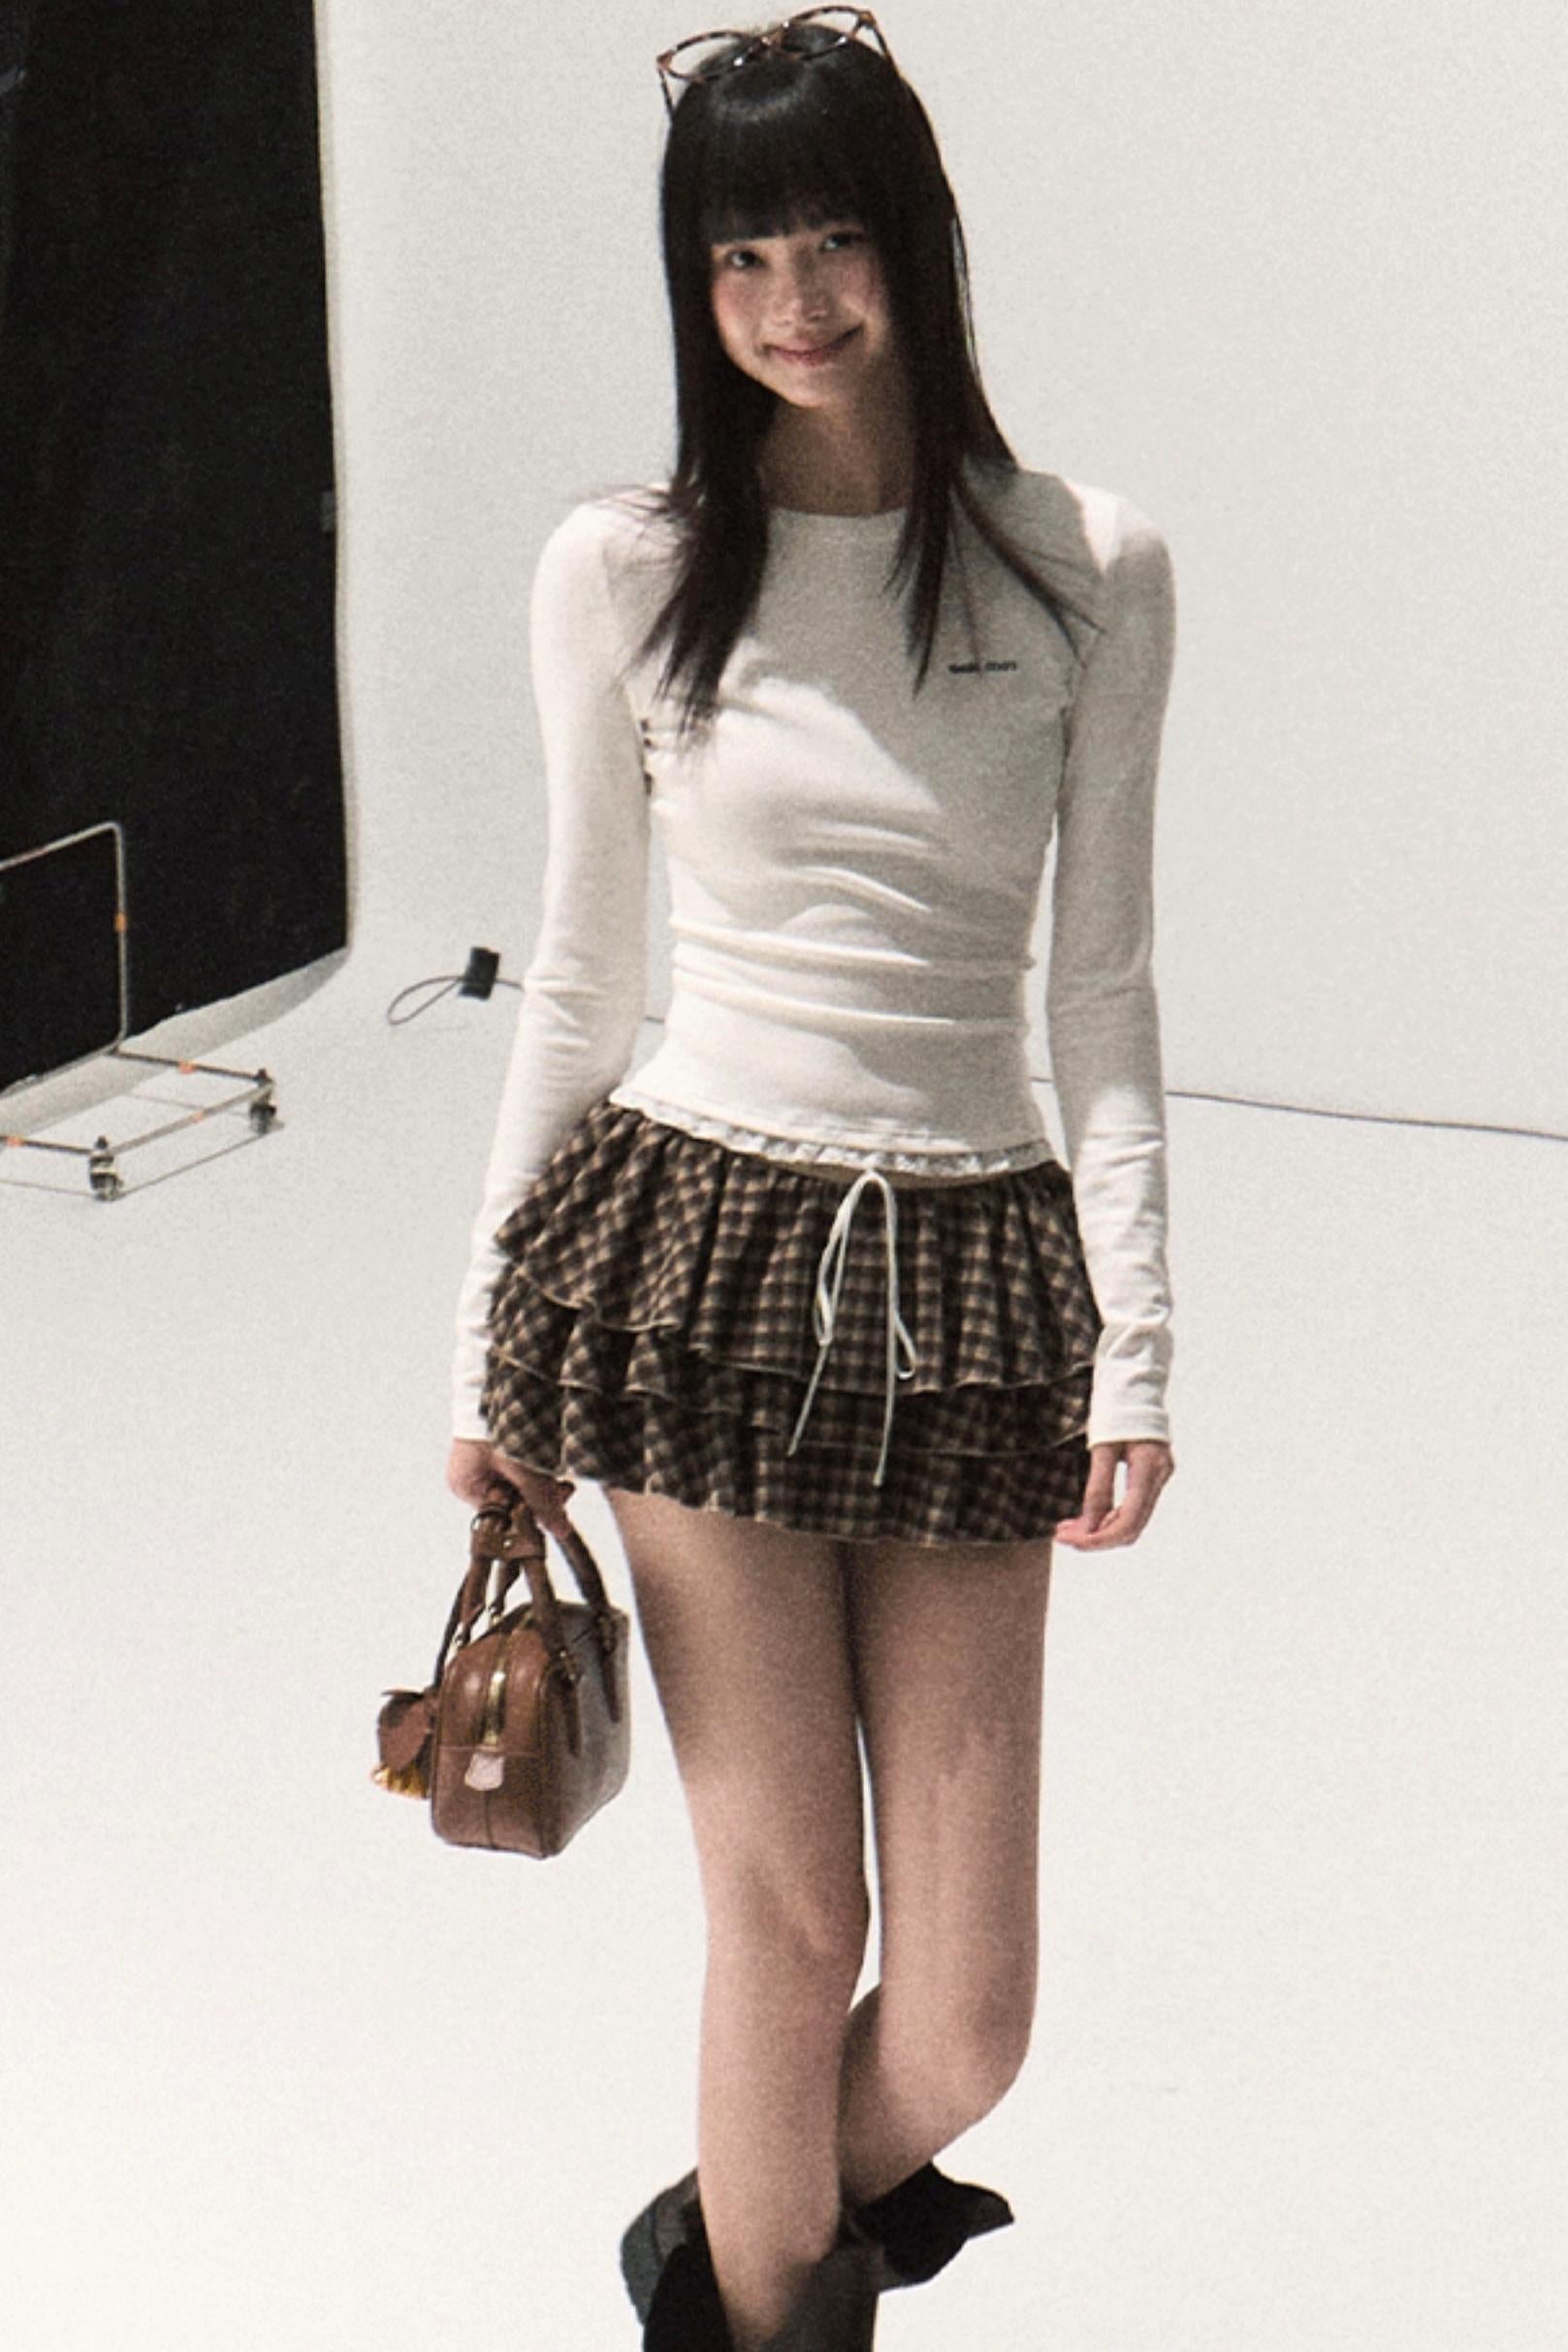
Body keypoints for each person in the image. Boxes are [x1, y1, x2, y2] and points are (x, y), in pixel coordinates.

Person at [445, 12, 1178, 2346]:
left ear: (914, 243)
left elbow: (1101, 987)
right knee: (783, 1926)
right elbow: (577, 976)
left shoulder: (1084, 568)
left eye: (832, 236)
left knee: (962, 2012)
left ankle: (718, 2244)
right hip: (692, 1261)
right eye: (738, 254)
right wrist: (485, 1359)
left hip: (970, 1276)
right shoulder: (629, 564)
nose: (791, 299)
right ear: (694, 284)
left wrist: (1138, 1343)